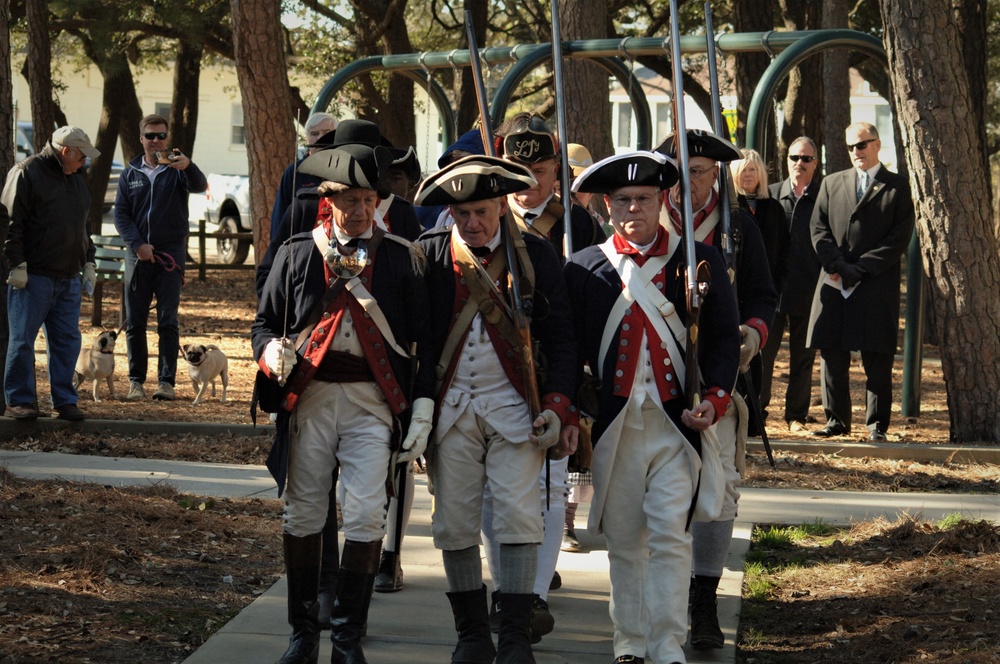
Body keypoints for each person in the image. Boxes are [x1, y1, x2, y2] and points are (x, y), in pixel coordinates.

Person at [252, 139, 435, 664]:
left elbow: (422, 343)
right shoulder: (296, 253)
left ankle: (348, 640)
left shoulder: (403, 258)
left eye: (368, 200)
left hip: (372, 402)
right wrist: (270, 354)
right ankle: (303, 635)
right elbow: (263, 325)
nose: (360, 211)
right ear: (328, 201)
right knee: (304, 512)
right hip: (310, 398)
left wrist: (421, 407)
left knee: (366, 514)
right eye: (350, 200)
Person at [564, 150, 740, 664]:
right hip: (617, 424)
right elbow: (570, 349)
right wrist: (571, 409)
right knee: (624, 538)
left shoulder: (699, 258)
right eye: (623, 200)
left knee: (670, 534)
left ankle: (666, 643)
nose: (634, 209)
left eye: (644, 198)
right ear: (607, 205)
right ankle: (629, 643)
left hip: (674, 422)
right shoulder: (585, 268)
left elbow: (724, 343)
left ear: (663, 200)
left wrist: (714, 399)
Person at [414, 154, 579, 664]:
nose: (473, 223)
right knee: (455, 524)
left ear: (502, 207)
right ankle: (470, 636)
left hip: (515, 409)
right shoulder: (432, 254)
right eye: (462, 214)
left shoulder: (535, 255)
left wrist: (558, 405)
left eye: (482, 211)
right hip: (452, 411)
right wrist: (417, 416)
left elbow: (563, 337)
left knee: (518, 519)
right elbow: (417, 340)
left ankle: (512, 636)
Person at [483, 115, 604, 642]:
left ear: (558, 171)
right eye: (518, 168)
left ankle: (532, 593)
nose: (530, 181)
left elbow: (584, 318)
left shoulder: (581, 227)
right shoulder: (479, 219)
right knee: (497, 493)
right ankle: (502, 588)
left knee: (552, 485)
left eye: (540, 169)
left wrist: (573, 394)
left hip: (559, 368)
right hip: (491, 374)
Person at [656, 130, 777, 651]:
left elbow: (762, 296)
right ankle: (660, 598)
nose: (690, 180)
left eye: (701, 170)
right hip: (656, 375)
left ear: (716, 175)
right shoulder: (644, 221)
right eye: (680, 169)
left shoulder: (740, 228)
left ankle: (703, 599)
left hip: (720, 378)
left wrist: (751, 333)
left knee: (720, 488)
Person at [808, 122, 914, 441]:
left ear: (877, 144)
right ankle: (837, 420)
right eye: (852, 146)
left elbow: (900, 237)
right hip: (835, 282)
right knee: (832, 355)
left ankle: (877, 424)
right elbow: (818, 229)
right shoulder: (831, 183)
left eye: (863, 145)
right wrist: (839, 264)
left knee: (877, 357)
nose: (857, 152)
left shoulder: (897, 186)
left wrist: (863, 267)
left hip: (875, 285)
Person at [2, 126, 99, 421]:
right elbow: (9, 222)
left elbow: (84, 226)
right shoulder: (27, 172)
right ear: (66, 151)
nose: (85, 162)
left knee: (67, 341)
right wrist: (16, 264)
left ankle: (65, 400)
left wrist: (89, 262)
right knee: (22, 340)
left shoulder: (77, 179)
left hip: (69, 276)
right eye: (82, 156)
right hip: (34, 276)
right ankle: (19, 401)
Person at [114, 114, 208, 402]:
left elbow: (200, 186)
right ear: (141, 138)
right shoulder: (130, 173)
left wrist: (189, 166)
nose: (156, 141)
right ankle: (136, 382)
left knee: (167, 320)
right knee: (135, 320)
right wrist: (138, 245)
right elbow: (121, 214)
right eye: (150, 136)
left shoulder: (178, 170)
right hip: (138, 256)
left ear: (168, 139)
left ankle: (166, 382)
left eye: (161, 136)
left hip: (171, 253)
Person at [764, 137, 822, 432]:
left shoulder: (823, 198)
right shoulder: (771, 196)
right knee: (763, 355)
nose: (800, 163)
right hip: (772, 292)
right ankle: (756, 413)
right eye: (794, 157)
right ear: (787, 160)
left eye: (807, 158)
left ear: (816, 163)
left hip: (810, 291)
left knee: (803, 359)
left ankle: (795, 417)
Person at [270, 112, 338, 242]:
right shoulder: (295, 173)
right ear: (307, 139)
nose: (320, 138)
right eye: (314, 133)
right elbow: (279, 221)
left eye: (327, 132)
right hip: (302, 250)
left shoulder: (345, 170)